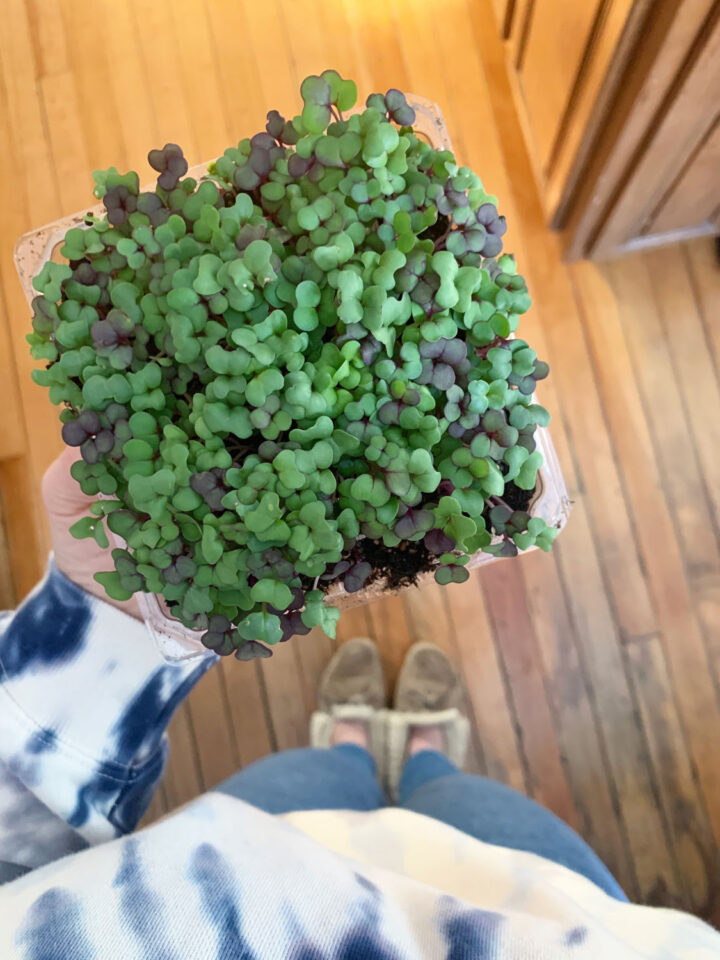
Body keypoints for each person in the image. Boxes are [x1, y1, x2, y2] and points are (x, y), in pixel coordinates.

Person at [0, 450, 717, 959]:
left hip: (226, 861)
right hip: (544, 916)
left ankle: (349, 744)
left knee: (319, 776)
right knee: (460, 797)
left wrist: (101, 619)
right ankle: (427, 762)